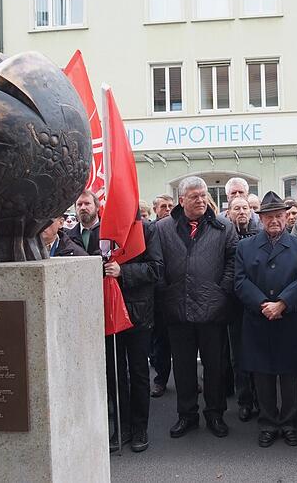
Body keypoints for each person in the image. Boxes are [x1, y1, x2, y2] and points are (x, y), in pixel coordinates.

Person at [156, 176, 238, 439]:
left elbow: (233, 261)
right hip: (177, 310)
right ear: (182, 200)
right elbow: (157, 265)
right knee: (183, 368)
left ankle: (215, 414)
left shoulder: (223, 226)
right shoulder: (163, 228)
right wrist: (168, 291)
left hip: (212, 310)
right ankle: (186, 415)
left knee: (215, 367)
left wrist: (220, 291)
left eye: (204, 195)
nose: (201, 200)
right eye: (195, 196)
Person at [234, 191, 297, 448]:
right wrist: (262, 305)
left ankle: (290, 423)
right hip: (258, 320)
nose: (274, 221)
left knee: (289, 376)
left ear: (286, 217)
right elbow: (239, 281)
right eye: (269, 217)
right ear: (261, 219)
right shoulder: (245, 246)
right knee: (263, 376)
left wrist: (282, 303)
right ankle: (268, 424)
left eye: (279, 216)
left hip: (290, 319)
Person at [104, 216, 163, 453]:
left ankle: (140, 428)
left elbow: (156, 268)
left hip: (138, 313)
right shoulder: (104, 230)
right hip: (108, 312)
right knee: (115, 373)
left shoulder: (147, 229)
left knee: (139, 372)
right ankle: (121, 427)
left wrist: (122, 271)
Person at [226, 196, 259, 421]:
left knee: (259, 354)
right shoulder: (224, 235)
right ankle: (244, 400)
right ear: (228, 213)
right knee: (238, 356)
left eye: (245, 208)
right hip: (234, 304)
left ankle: (261, 398)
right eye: (236, 208)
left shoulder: (260, 234)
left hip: (257, 302)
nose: (241, 212)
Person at [149, 194, 175, 398]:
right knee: (161, 342)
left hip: (178, 293)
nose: (167, 209)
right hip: (159, 295)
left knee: (182, 343)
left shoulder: (177, 228)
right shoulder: (151, 230)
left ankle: (188, 379)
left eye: (170, 206)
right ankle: (160, 379)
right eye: (163, 206)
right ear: (155, 209)